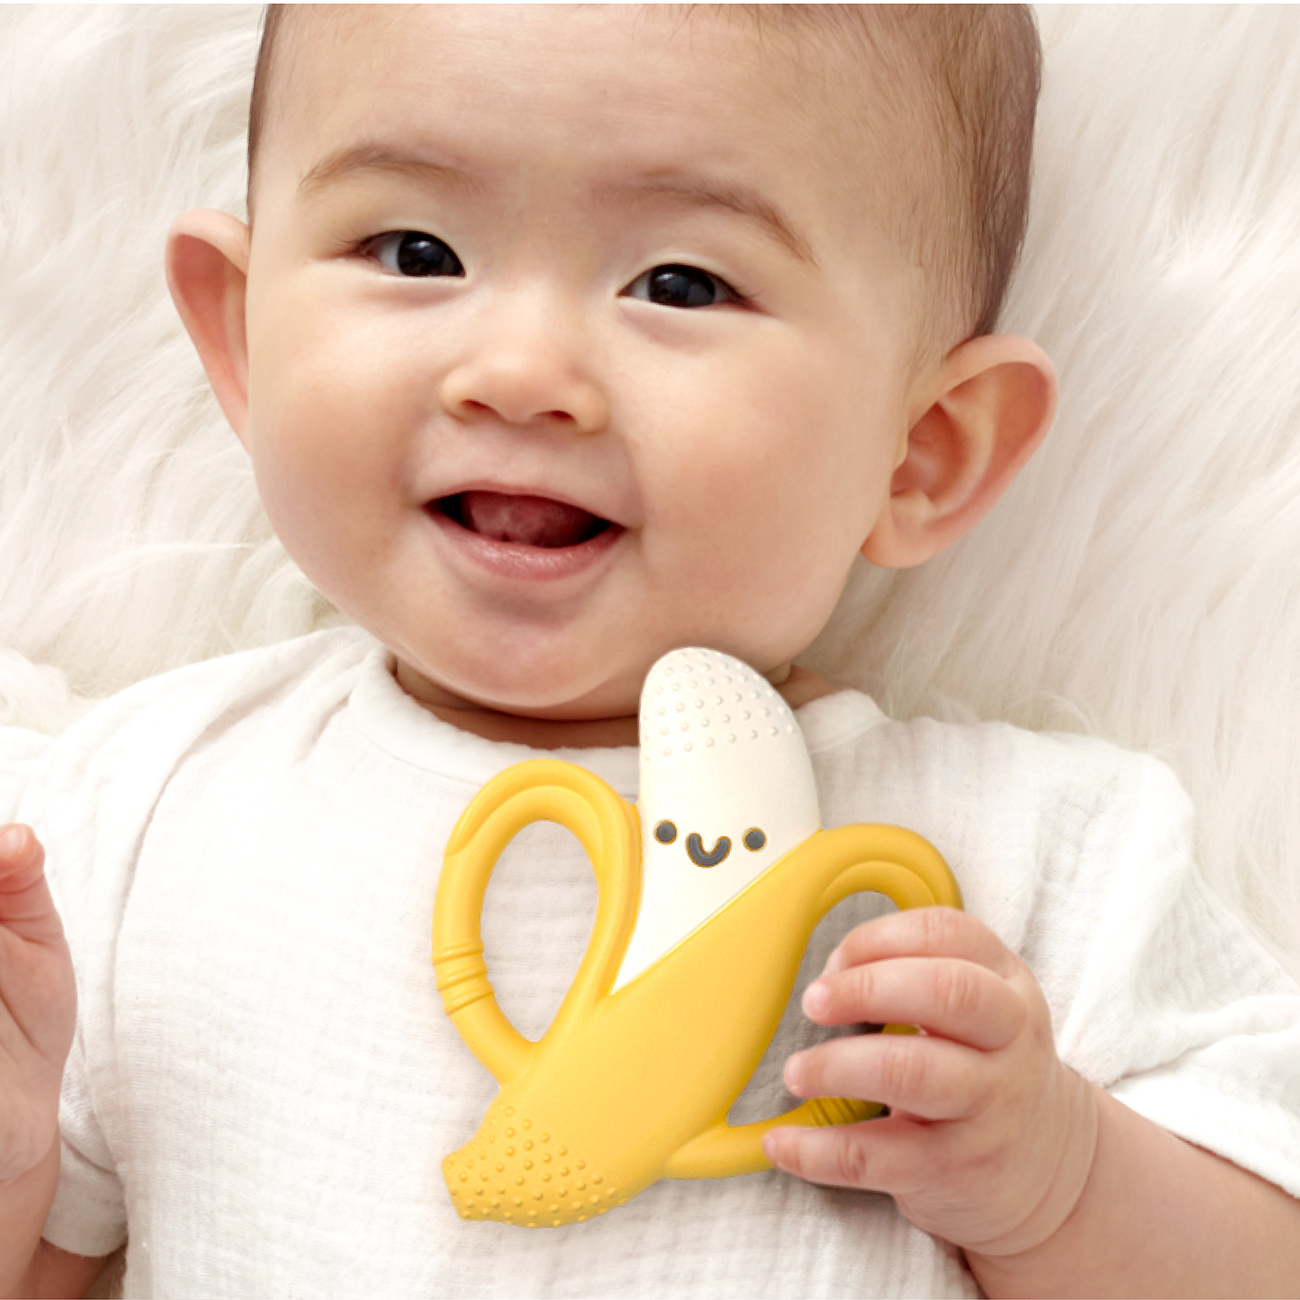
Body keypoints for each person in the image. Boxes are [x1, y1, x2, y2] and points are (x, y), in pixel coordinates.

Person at [2, 5, 1297, 1296]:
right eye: (415, 249)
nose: (517, 373)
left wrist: (1061, 1181)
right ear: (241, 339)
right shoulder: (133, 815)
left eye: (681, 283)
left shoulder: (1048, 860)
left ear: (922, 452)